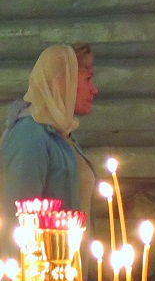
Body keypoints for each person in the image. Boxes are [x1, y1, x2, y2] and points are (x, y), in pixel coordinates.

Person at [1, 44, 98, 246]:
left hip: (69, 263)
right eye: (88, 79)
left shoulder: (60, 134)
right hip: (44, 265)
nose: (94, 90)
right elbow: (17, 221)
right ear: (62, 82)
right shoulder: (30, 136)